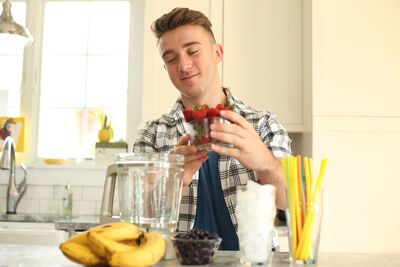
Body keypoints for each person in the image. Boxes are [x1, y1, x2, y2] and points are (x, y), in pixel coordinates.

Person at [133, 7, 292, 250]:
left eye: (193, 51)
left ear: (217, 53)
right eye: (171, 59)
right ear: (165, 68)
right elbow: (138, 218)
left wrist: (264, 161)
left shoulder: (263, 124)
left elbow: (291, 202)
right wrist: (172, 181)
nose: (184, 65)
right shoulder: (151, 134)